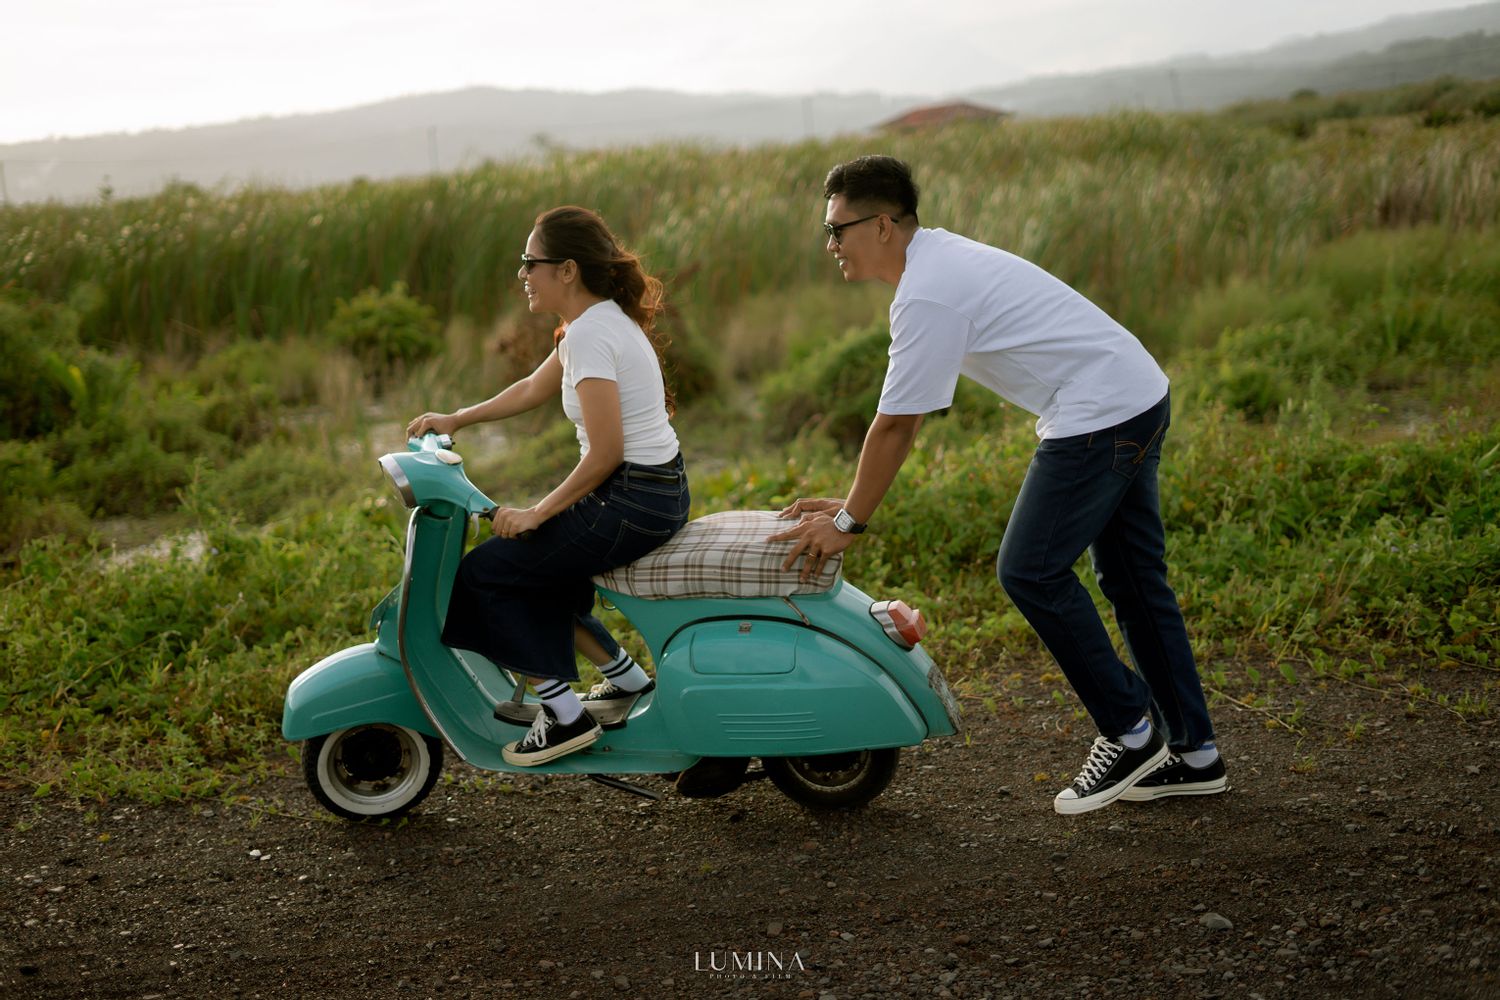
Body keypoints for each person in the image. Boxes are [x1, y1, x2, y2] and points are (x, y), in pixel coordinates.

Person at [770, 155, 1224, 815]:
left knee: (1031, 571)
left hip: (1100, 413)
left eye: (838, 229)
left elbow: (897, 425)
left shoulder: (928, 291)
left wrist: (848, 524)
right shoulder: (937, 263)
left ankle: (1131, 733)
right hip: (1136, 394)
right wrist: (852, 502)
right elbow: (897, 424)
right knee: (1132, 580)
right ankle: (1195, 755)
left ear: (884, 225)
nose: (830, 244)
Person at [407, 206, 689, 767]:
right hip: (655, 493)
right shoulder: (597, 322)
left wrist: (538, 511)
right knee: (538, 569)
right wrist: (458, 418)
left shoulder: (591, 333)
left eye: (529, 262)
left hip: (630, 500)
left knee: (487, 574)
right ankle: (626, 680)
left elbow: (606, 453)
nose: (523, 274)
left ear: (566, 269)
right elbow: (533, 387)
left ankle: (563, 716)